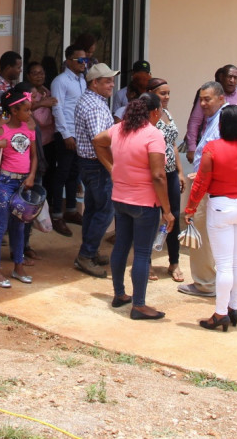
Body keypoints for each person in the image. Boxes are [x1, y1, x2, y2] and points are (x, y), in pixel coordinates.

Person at [92, 93, 174, 320]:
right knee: (142, 253)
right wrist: (167, 211)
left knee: (121, 246)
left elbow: (97, 141)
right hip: (145, 203)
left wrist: (112, 168)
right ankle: (139, 305)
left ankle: (119, 294)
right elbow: (158, 176)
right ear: (154, 112)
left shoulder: (119, 129)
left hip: (120, 199)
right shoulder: (153, 134)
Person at [184, 105, 237, 331]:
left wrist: (190, 208)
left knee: (223, 265)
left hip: (221, 206)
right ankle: (234, 307)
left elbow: (201, 182)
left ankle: (220, 313)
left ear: (221, 125)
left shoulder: (213, 148)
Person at [0, 83, 39, 288]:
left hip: (24, 184)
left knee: (20, 226)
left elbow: (34, 156)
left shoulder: (29, 129)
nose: (30, 114)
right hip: (6, 182)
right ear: (14, 111)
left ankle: (18, 267)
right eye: (26, 110)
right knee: (1, 225)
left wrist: (31, 176)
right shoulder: (1, 130)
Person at [178, 81, 226, 300]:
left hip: (209, 187)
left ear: (221, 99)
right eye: (201, 100)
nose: (203, 104)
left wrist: (203, 176)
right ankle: (230, 283)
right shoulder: (214, 118)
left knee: (201, 235)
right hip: (212, 186)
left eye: (208, 99)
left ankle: (205, 283)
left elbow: (224, 155)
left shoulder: (223, 120)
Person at [72, 62, 119, 278]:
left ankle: (90, 251)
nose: (112, 85)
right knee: (105, 210)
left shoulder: (91, 100)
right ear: (94, 83)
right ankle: (86, 254)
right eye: (107, 81)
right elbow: (100, 142)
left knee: (92, 209)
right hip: (97, 165)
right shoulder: (95, 106)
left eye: (112, 80)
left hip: (88, 163)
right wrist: (111, 168)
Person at [146, 76, 183, 281]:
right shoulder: (149, 117)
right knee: (152, 218)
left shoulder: (167, 113)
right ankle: (147, 263)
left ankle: (174, 262)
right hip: (154, 174)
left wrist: (179, 172)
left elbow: (173, 144)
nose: (167, 97)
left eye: (168, 93)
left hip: (170, 174)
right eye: (162, 93)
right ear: (151, 94)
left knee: (173, 218)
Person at [48, 45, 89, 229]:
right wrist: (66, 135)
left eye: (85, 60)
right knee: (62, 174)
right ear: (68, 61)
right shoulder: (60, 81)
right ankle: (57, 214)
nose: (83, 63)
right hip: (66, 134)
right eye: (80, 60)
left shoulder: (82, 80)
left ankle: (71, 210)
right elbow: (57, 109)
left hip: (80, 134)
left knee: (74, 174)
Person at [26, 63, 66, 236]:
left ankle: (46, 213)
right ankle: (33, 216)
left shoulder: (47, 91)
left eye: (41, 72)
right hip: (37, 144)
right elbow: (41, 121)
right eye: (35, 73)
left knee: (49, 177)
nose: (39, 76)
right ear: (28, 76)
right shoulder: (30, 94)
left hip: (50, 141)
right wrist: (45, 105)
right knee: (38, 180)